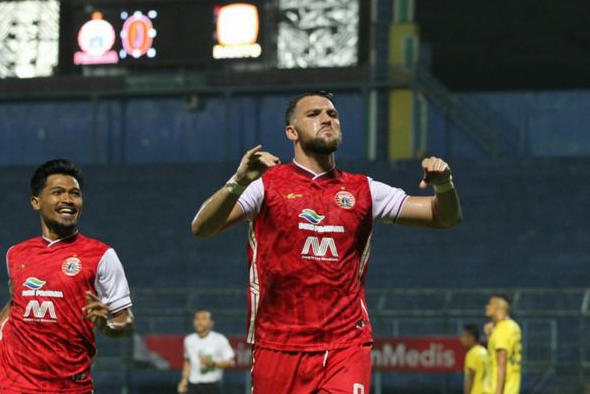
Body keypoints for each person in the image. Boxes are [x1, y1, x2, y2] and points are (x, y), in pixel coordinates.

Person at [190, 91, 462, 394]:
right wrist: (238, 182)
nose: (326, 119)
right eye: (314, 114)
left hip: (346, 344)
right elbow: (202, 227)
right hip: (278, 345)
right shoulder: (267, 185)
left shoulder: (363, 190)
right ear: (291, 132)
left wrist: (444, 184)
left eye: (332, 114)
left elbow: (443, 217)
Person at [0, 158, 134, 392]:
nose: (68, 200)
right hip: (15, 381)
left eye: (75, 194)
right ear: (36, 202)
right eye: (58, 192)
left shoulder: (102, 255)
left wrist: (107, 326)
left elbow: (126, 320)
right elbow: (17, 303)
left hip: (70, 385)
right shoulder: (16, 254)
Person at [177, 309, 236, 394]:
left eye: (204, 319)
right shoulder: (188, 340)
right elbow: (188, 361)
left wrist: (212, 363)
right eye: (197, 318)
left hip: (212, 386)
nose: (199, 322)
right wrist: (184, 380)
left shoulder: (220, 339)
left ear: (211, 323)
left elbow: (231, 363)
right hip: (193, 386)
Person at [485, 294, 522, 394]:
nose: (487, 306)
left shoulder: (502, 329)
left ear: (498, 307)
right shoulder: (514, 326)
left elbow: (502, 363)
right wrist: (490, 337)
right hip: (512, 388)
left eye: (490, 304)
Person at [460, 324, 492, 394]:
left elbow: (470, 377)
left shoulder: (473, 353)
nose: (461, 339)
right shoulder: (485, 352)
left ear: (471, 338)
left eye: (464, 336)